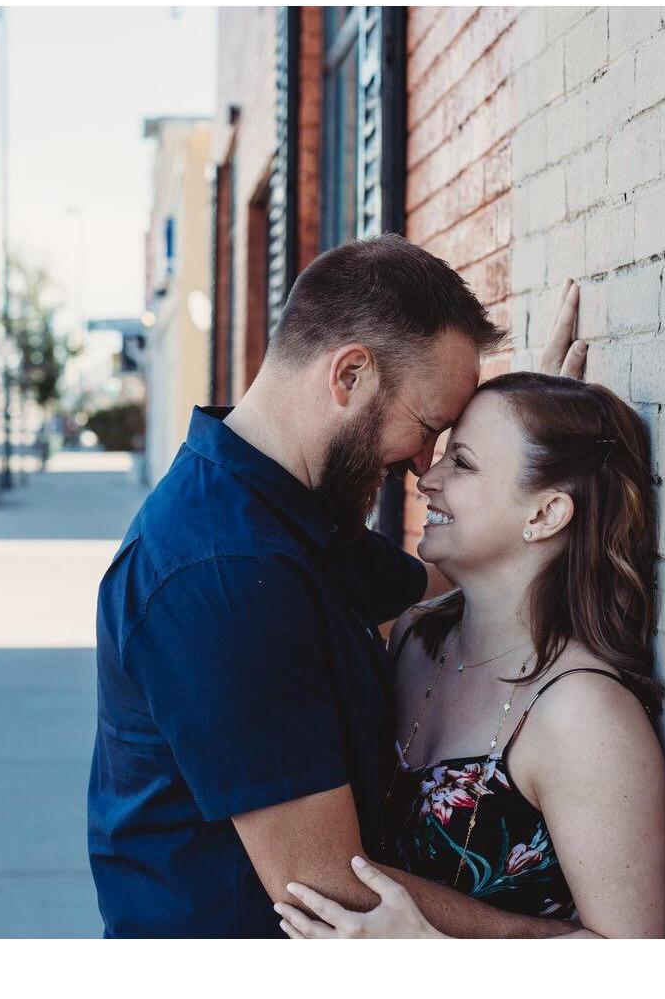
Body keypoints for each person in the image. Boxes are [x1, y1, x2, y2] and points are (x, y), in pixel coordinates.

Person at [88, 234, 586, 937]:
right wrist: (575, 948)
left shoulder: (291, 513)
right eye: (427, 428)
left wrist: (529, 460)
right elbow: (327, 886)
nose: (422, 465)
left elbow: (444, 580)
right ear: (349, 375)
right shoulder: (224, 575)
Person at [274, 372, 665, 939]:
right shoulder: (415, 638)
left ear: (544, 515)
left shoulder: (583, 717)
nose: (425, 479)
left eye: (461, 461)